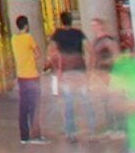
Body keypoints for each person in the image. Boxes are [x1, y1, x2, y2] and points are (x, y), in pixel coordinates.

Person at [48, 17, 88, 138]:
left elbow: (52, 51)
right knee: (85, 100)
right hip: (80, 69)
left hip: (65, 71)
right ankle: (91, 129)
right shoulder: (78, 33)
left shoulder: (58, 34)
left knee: (68, 102)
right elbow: (88, 48)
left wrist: (56, 68)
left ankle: (71, 132)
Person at [10, 14, 45, 143]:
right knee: (35, 106)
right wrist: (32, 59)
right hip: (32, 75)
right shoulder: (28, 37)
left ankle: (24, 136)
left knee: (23, 107)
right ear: (26, 26)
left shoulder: (14, 39)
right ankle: (36, 135)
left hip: (21, 76)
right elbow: (38, 53)